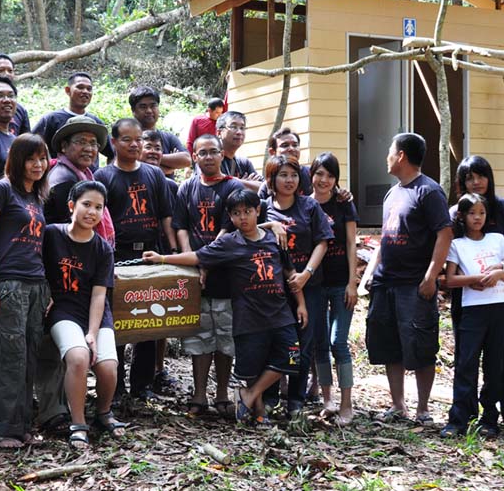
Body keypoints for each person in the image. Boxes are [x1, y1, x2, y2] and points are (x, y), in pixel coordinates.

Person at [143, 189, 307, 427]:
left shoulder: (274, 238)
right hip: (249, 317)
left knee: (291, 358)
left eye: (248, 211)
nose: (243, 217)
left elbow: (291, 273)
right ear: (230, 217)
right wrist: (162, 258)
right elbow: (198, 256)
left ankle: (249, 395)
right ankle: (259, 412)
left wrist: (301, 304)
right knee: (253, 368)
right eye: (236, 213)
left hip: (281, 314)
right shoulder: (229, 242)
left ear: (258, 211)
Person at [362, 132, 452, 424]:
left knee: (421, 345)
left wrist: (431, 276)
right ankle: (398, 405)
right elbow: (385, 238)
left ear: (401, 155)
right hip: (385, 283)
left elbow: (444, 234)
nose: (386, 157)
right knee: (389, 345)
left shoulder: (429, 191)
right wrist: (370, 274)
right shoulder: (392, 193)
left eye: (390, 151)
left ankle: (423, 409)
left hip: (413, 284)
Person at [94, 118, 178, 401]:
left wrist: (172, 252)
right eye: (127, 139)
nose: (134, 144)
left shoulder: (154, 175)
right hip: (117, 257)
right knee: (117, 321)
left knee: (149, 320)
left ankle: (142, 386)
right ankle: (115, 388)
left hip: (150, 255)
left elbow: (166, 216)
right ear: (114, 143)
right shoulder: (103, 177)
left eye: (139, 139)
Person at [0, 133, 51, 448]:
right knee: (10, 355)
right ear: (17, 160)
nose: (38, 165)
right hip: (8, 284)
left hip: (36, 284)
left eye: (42, 158)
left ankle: (22, 426)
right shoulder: (0, 190)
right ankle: (3, 429)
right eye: (31, 159)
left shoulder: (36, 196)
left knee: (29, 354)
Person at [43, 180, 128, 449]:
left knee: (108, 367)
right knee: (79, 358)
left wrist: (92, 333)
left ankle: (103, 412)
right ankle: (78, 424)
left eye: (98, 207)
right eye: (86, 204)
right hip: (62, 309)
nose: (92, 212)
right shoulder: (51, 235)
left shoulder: (103, 249)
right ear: (72, 206)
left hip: (95, 312)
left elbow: (99, 295)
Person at [171, 134, 247, 417]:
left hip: (227, 275)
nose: (208, 157)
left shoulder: (233, 187)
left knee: (225, 337)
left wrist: (205, 261)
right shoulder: (186, 187)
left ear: (221, 154)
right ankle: (199, 393)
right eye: (202, 153)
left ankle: (222, 393)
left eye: (213, 151)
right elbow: (180, 226)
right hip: (195, 275)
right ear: (194, 156)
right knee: (199, 336)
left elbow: (228, 230)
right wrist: (191, 260)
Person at [451, 155, 504, 434]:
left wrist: (502, 268)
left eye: (481, 175)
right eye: (469, 177)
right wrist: (470, 278)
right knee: (466, 358)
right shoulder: (455, 213)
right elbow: (448, 252)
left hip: (502, 296)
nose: (476, 182)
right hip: (468, 300)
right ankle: (464, 416)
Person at [260, 155, 332, 416]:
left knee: (303, 343)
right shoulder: (263, 207)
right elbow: (246, 228)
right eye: (283, 175)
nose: (289, 180)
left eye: (293, 175)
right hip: (272, 288)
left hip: (310, 286)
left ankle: (296, 401)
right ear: (271, 179)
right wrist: (271, 224)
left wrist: (306, 273)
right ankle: (270, 398)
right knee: (273, 341)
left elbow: (322, 242)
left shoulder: (309, 206)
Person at [441, 193, 504, 439]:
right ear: (462, 216)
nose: (477, 218)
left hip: (499, 307)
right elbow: (450, 279)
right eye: (472, 213)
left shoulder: (497, 240)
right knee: (466, 363)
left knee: (494, 364)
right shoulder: (457, 244)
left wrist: (499, 273)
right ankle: (458, 419)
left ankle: (489, 419)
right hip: (472, 309)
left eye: (481, 213)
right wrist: (475, 279)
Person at [308, 152, 359, 424]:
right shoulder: (305, 204)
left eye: (329, 175)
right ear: (311, 175)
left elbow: (351, 243)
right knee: (319, 342)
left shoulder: (343, 204)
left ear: (336, 179)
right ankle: (328, 400)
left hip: (341, 283)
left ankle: (347, 404)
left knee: (337, 342)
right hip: (315, 284)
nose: (323, 180)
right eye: (319, 173)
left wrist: (352, 282)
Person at [141, 129, 181, 396]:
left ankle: (157, 370)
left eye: (158, 148)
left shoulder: (171, 186)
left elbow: (173, 221)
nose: (153, 152)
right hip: (135, 253)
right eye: (148, 147)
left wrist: (174, 252)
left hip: (162, 252)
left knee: (158, 315)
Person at [33, 72, 114, 164]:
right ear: (68, 90)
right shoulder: (52, 119)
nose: (85, 91)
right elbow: (30, 146)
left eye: (89, 89)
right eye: (80, 87)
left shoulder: (95, 123)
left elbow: (112, 154)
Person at [128, 85, 191, 177]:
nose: (149, 111)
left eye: (153, 106)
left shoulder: (168, 137)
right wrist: (168, 166)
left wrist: (146, 157)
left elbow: (186, 160)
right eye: (143, 107)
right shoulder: (127, 138)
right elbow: (126, 162)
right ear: (133, 110)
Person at [257, 127, 313, 198]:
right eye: (285, 145)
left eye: (295, 145)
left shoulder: (312, 175)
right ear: (272, 152)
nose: (291, 149)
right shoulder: (267, 187)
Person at [216, 111, 263, 191]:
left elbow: (263, 187)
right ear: (219, 132)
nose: (239, 132)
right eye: (233, 127)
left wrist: (236, 183)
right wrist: (245, 184)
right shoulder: (211, 160)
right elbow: (216, 186)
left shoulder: (244, 163)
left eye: (242, 128)